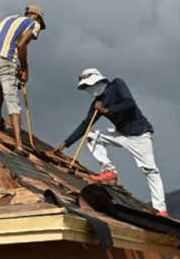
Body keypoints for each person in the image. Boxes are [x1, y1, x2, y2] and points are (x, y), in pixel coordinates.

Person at [53, 68, 168, 217]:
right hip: (122, 134)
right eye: (86, 87)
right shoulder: (97, 103)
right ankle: (109, 171)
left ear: (98, 81)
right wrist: (66, 143)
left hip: (140, 135)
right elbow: (85, 124)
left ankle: (161, 209)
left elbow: (129, 103)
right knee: (92, 135)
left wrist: (107, 110)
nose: (89, 89)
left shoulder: (116, 85)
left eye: (89, 85)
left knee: (150, 170)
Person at [0, 3, 46, 152]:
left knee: (5, 79)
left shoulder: (9, 18)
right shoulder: (33, 23)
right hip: (3, 60)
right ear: (36, 17)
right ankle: (19, 145)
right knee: (13, 102)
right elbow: (22, 45)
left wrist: (16, 70)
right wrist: (24, 68)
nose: (37, 34)